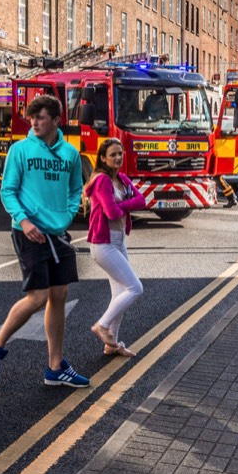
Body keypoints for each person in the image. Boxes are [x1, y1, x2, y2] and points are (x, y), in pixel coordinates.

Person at [0, 93, 88, 388]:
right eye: (32, 117)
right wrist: (25, 222)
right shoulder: (21, 150)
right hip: (29, 232)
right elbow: (8, 191)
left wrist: (66, 215)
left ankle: (55, 367)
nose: (34, 122)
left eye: (40, 117)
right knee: (38, 297)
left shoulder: (70, 154)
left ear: (56, 120)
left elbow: (76, 189)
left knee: (60, 294)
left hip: (58, 233)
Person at [85, 138, 147, 358]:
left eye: (120, 153)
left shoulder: (121, 178)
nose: (118, 158)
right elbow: (111, 213)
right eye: (113, 154)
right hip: (103, 243)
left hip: (119, 240)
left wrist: (122, 205)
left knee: (120, 293)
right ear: (103, 158)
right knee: (135, 288)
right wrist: (127, 205)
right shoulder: (102, 181)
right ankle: (101, 326)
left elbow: (143, 201)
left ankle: (111, 344)